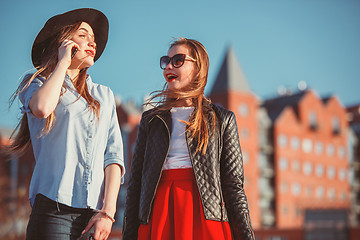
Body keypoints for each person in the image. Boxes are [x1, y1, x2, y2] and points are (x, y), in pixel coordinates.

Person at [8, 8, 125, 240]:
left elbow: (113, 156)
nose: (92, 43)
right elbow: (42, 108)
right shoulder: (35, 83)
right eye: (83, 35)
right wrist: (63, 62)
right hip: (53, 212)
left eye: (94, 39)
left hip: (94, 217)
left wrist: (108, 213)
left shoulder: (104, 95)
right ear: (64, 42)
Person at [122, 38, 255, 240]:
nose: (168, 66)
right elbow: (136, 184)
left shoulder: (222, 119)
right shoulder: (151, 120)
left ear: (197, 68)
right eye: (166, 60)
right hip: (159, 212)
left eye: (178, 60)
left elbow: (233, 185)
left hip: (206, 216)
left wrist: (246, 236)